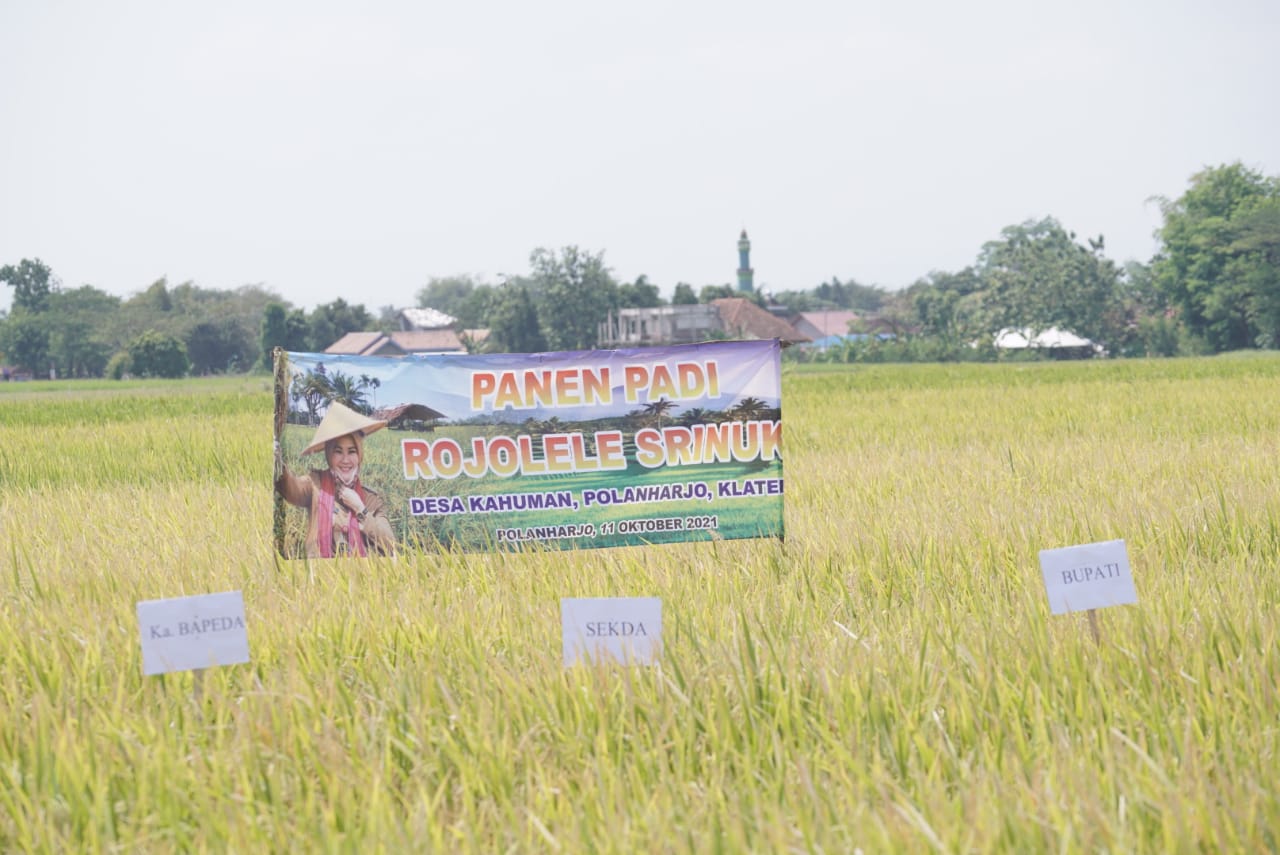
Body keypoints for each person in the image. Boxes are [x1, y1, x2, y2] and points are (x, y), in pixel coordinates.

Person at [275, 401, 396, 558]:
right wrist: (277, 462)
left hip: (363, 577)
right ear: (329, 455)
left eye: (352, 452)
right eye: (338, 452)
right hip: (320, 576)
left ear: (359, 456)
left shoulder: (372, 499)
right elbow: (291, 489)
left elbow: (391, 545)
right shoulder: (315, 485)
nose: (345, 460)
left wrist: (360, 509)